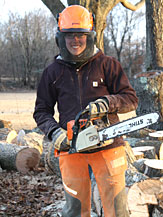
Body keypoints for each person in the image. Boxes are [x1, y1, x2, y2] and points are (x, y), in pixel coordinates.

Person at [33, 5, 138, 217]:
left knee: (116, 210)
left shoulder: (108, 65)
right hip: (71, 148)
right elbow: (41, 111)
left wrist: (107, 103)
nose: (75, 41)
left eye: (80, 35)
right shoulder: (53, 71)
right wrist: (54, 132)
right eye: (69, 36)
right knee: (74, 210)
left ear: (90, 36)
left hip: (108, 146)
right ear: (60, 38)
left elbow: (131, 99)